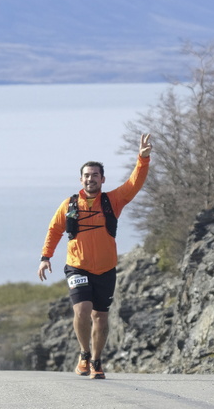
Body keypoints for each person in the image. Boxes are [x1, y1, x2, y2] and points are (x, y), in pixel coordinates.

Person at [37, 134, 151, 380]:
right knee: (82, 310)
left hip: (106, 268)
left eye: (95, 175)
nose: (91, 179)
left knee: (100, 316)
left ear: (102, 179)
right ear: (81, 179)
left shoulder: (113, 201)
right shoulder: (69, 204)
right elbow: (54, 230)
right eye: (87, 175)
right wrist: (46, 257)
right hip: (77, 267)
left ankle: (96, 361)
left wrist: (142, 159)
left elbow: (134, 183)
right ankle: (84, 354)